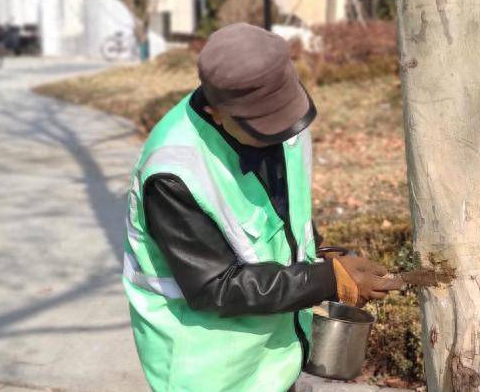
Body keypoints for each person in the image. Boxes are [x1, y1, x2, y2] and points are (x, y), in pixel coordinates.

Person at [122, 23, 404, 392]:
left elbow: (287, 212)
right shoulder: (174, 172)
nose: (283, 132)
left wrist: (323, 256)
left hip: (271, 358)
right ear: (215, 112)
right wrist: (325, 280)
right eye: (263, 128)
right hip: (209, 368)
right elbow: (215, 287)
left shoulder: (287, 118)